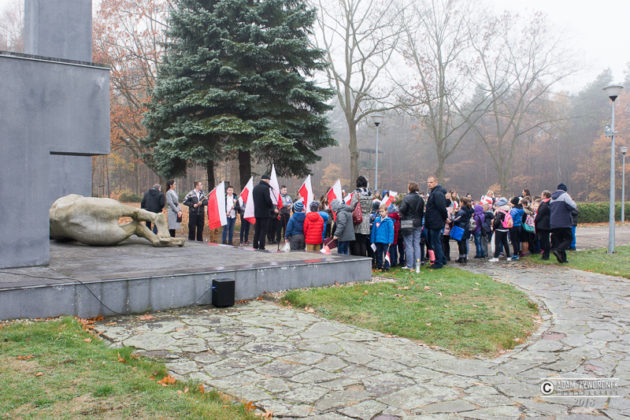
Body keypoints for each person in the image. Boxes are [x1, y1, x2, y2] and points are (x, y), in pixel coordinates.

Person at [399, 182, 425, 270]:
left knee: (408, 244)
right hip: (418, 222)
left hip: (407, 222)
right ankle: (417, 265)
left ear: (409, 188)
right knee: (416, 244)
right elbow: (421, 212)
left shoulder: (406, 198)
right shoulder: (421, 199)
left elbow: (402, 210)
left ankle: (410, 265)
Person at [549, 183, 577, 263]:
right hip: (564, 222)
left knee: (560, 240)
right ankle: (558, 250)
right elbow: (573, 206)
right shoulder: (565, 195)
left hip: (554, 223)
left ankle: (562, 259)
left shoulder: (552, 197)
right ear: (565, 189)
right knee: (569, 239)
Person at [425, 176, 448, 269]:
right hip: (433, 220)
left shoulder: (437, 193)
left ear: (436, 182)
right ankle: (442, 259)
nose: (429, 184)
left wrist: (445, 218)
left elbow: (442, 208)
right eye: (428, 182)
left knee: (436, 242)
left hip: (435, 221)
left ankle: (439, 262)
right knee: (436, 241)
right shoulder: (434, 192)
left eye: (431, 182)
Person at [252, 174, 278, 250]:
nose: (269, 182)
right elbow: (268, 200)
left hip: (257, 212)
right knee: (263, 230)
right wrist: (273, 208)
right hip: (264, 213)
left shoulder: (255, 187)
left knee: (257, 229)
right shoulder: (265, 188)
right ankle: (261, 246)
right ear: (266, 180)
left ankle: (255, 245)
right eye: (269, 180)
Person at [350, 176, 373, 257]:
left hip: (358, 219)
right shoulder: (370, 194)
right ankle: (363, 259)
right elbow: (371, 207)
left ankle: (358, 259)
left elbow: (352, 206)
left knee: (357, 240)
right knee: (363, 241)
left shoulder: (357, 193)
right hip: (366, 220)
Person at [371, 203, 395, 270]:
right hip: (378, 240)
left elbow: (391, 232)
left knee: (386, 254)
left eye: (382, 211)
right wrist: (372, 240)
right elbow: (373, 231)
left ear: (386, 211)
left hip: (386, 241)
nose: (381, 213)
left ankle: (387, 266)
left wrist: (390, 241)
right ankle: (379, 266)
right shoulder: (377, 220)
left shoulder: (389, 221)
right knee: (379, 254)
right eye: (380, 212)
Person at [489, 198, 511, 262]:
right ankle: (508, 256)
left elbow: (497, 221)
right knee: (505, 243)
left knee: (497, 243)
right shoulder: (507, 210)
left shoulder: (500, 212)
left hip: (499, 229)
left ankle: (496, 257)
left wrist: (494, 227)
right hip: (506, 228)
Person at [453, 197, 473, 263]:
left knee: (460, 243)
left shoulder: (462, 211)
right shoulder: (469, 210)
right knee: (464, 243)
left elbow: (457, 219)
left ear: (462, 202)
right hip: (466, 227)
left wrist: (452, 219)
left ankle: (461, 257)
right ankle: (464, 257)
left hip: (461, 227)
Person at [535, 190, 551, 260]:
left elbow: (540, 214)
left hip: (543, 225)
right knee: (546, 240)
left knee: (544, 240)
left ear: (544, 196)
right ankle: (546, 254)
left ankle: (545, 255)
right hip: (546, 224)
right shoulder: (550, 203)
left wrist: (535, 221)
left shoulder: (544, 204)